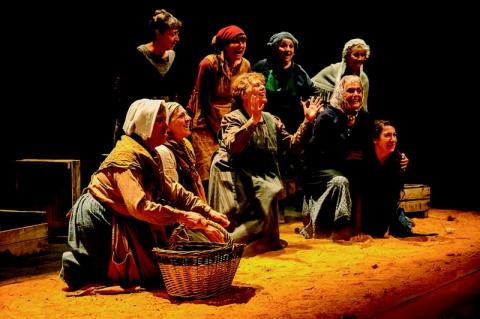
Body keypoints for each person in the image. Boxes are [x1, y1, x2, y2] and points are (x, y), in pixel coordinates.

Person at [60, 99, 229, 291]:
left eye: (165, 119)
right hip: (100, 218)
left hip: (124, 214)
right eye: (159, 120)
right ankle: (78, 268)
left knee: (156, 270)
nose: (166, 126)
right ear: (143, 124)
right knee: (144, 274)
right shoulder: (126, 158)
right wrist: (184, 216)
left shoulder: (148, 153)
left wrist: (208, 213)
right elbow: (139, 207)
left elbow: (174, 190)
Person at [208, 72, 322, 255]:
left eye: (263, 85)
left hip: (259, 174)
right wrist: (252, 121)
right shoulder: (233, 118)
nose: (262, 88)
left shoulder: (271, 119)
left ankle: (259, 242)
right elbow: (234, 147)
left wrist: (307, 122)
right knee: (232, 223)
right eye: (256, 85)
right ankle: (227, 245)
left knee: (268, 198)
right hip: (232, 172)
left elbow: (293, 146)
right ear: (243, 93)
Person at [300, 76, 408, 241]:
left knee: (374, 175)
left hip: (350, 167)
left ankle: (373, 224)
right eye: (350, 90)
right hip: (321, 170)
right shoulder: (327, 117)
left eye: (359, 90)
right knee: (342, 180)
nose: (356, 94)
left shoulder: (364, 118)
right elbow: (314, 153)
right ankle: (341, 227)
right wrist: (342, 155)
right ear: (341, 93)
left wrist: (399, 156)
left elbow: (379, 137)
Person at [253, 31, 320, 214]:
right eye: (283, 45)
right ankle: (273, 209)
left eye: (290, 46)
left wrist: (309, 107)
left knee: (294, 165)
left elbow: (313, 92)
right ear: (274, 48)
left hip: (291, 124)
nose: (287, 49)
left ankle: (296, 207)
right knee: (269, 164)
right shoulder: (261, 68)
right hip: (266, 122)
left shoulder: (298, 72)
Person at [187, 25, 251, 192]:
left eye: (243, 41)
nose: (240, 46)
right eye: (235, 42)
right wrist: (218, 129)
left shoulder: (245, 66)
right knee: (208, 169)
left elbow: (242, 96)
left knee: (231, 167)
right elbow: (203, 100)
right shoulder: (209, 64)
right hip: (205, 121)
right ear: (224, 44)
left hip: (231, 118)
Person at [112, 9, 183, 145]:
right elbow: (122, 95)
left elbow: (175, 93)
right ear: (158, 33)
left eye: (177, 34)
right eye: (173, 34)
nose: (177, 39)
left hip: (164, 122)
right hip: (142, 124)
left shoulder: (173, 58)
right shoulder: (137, 57)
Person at [359, 120, 408, 238]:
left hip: (383, 207)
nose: (393, 139)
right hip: (364, 207)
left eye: (394, 135)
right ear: (375, 140)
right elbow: (358, 195)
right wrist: (358, 229)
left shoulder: (398, 160)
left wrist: (386, 228)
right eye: (387, 135)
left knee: (398, 230)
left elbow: (393, 197)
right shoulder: (364, 158)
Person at [156, 102, 206, 201]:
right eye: (181, 116)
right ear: (167, 124)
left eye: (186, 114)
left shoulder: (186, 144)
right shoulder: (163, 151)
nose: (188, 118)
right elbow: (172, 194)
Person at [311, 38, 370, 111]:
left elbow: (363, 107)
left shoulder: (363, 79)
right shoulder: (333, 70)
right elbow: (310, 87)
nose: (360, 59)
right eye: (356, 55)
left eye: (363, 55)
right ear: (347, 56)